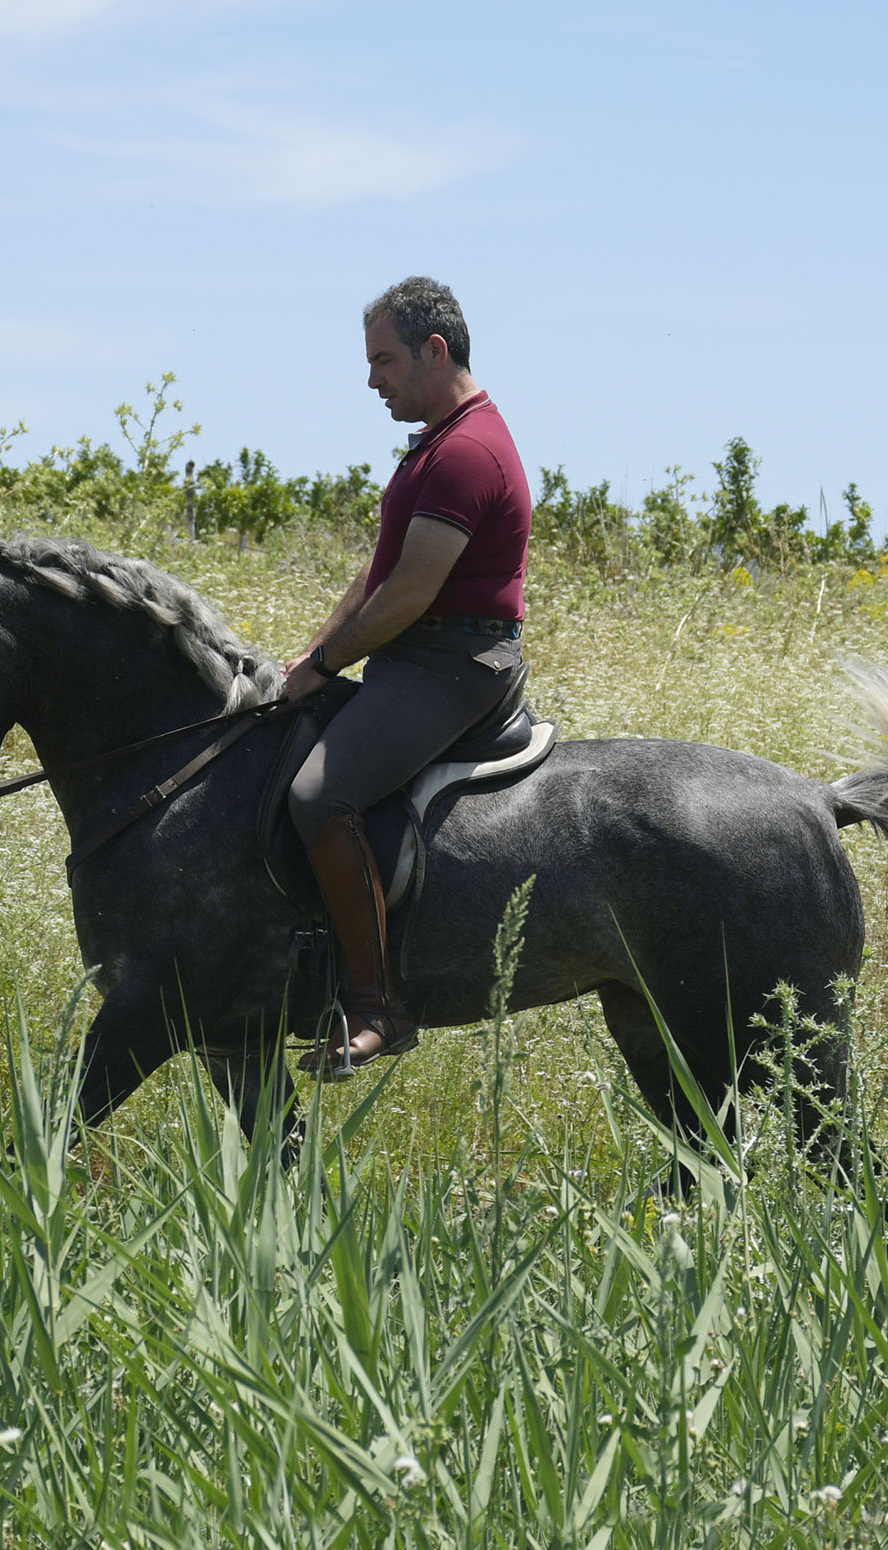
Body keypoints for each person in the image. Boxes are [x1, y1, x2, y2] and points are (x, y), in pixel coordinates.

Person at [283, 276, 533, 1077]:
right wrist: (311, 660)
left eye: (383, 361)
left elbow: (412, 594)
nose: (371, 380)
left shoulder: (467, 452)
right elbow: (379, 576)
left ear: (435, 350)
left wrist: (328, 663)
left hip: (457, 662)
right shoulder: (435, 445)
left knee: (320, 798)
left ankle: (376, 1003)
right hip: (418, 655)